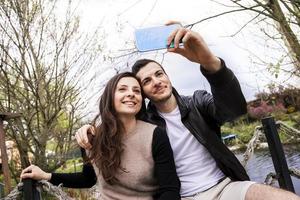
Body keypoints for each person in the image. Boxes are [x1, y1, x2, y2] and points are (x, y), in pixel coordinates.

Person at [75, 25, 300, 200]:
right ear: (142, 93)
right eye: (146, 81)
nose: (156, 81)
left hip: (225, 187)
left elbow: (233, 110)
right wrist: (88, 129)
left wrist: (209, 62)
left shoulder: (197, 103)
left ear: (167, 76)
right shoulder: (144, 124)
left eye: (159, 74)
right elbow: (114, 127)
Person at [21, 72, 181, 200]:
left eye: (136, 91)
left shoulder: (155, 134)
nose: (131, 94)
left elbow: (171, 190)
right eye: (123, 89)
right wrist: (46, 175)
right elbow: (88, 179)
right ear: (110, 97)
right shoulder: (91, 137)